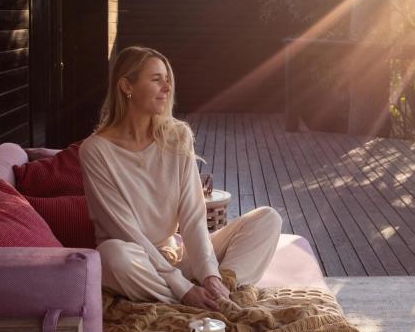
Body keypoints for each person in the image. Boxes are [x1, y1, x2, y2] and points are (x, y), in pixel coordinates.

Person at [79, 46, 281, 310]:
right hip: (136, 263)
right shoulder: (96, 151)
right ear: (126, 86)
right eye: (156, 79)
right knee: (112, 255)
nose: (167, 87)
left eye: (167, 79)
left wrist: (210, 274)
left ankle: (221, 291)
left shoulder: (177, 137)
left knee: (268, 219)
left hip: (176, 256)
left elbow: (193, 218)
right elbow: (126, 232)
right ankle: (191, 300)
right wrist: (182, 288)